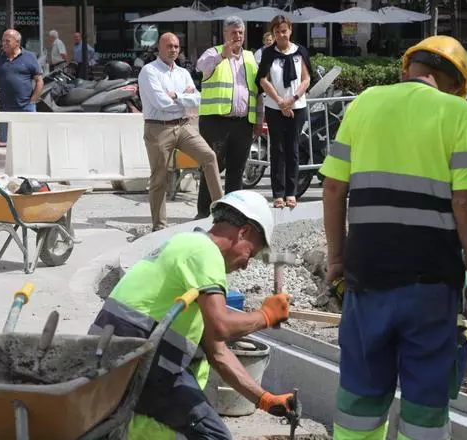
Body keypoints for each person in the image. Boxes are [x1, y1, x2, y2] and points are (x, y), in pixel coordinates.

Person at [320, 35, 467, 440]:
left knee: (360, 401)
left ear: (408, 71)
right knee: (424, 405)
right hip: (431, 285)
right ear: (455, 85)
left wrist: (336, 260)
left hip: (366, 278)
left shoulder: (364, 102)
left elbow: (333, 188)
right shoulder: (457, 114)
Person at [89, 190, 296, 439]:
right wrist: (266, 316)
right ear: (244, 232)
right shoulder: (204, 252)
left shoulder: (187, 248)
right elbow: (221, 325)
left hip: (120, 365)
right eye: (250, 253)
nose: (245, 264)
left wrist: (264, 399)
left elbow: (218, 351)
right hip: (137, 366)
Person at [138, 32, 223, 232]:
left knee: (209, 157)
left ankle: (221, 212)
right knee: (159, 178)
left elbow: (197, 99)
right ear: (159, 47)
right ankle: (159, 227)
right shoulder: (149, 72)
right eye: (169, 46)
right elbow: (161, 104)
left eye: (176, 46)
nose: (174, 50)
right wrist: (184, 99)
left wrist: (176, 96)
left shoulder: (183, 73)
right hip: (158, 128)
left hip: (184, 125)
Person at [195, 16, 264, 220]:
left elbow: (257, 92)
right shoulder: (213, 52)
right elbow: (201, 66)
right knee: (212, 167)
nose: (238, 36)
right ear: (225, 33)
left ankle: (233, 213)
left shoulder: (251, 58)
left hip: (243, 122)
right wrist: (222, 56)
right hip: (216, 121)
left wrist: (259, 120)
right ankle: (204, 212)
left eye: (241, 32)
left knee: (237, 169)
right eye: (233, 32)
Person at [256, 15, 311, 209]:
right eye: (277, 31)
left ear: (290, 31)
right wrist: (280, 102)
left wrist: (292, 100)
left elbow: (306, 79)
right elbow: (263, 79)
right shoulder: (268, 53)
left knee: (293, 150)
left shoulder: (300, 51)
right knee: (277, 150)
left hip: (297, 106)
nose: (281, 35)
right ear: (273, 33)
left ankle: (292, 192)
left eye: (284, 31)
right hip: (274, 107)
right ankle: (278, 194)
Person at [0, 29, 43, 148]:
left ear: (17, 43)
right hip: (5, 110)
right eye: (3, 40)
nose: (4, 43)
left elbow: (39, 81)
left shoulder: (29, 57)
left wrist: (32, 101)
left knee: (29, 143)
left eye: (7, 41)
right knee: (6, 146)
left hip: (26, 109)